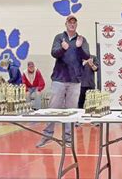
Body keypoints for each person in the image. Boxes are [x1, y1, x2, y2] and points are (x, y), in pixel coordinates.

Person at [36, 15, 90, 148]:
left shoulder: (81, 40)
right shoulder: (59, 38)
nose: (72, 24)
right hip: (59, 79)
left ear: (76, 25)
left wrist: (78, 47)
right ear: (66, 24)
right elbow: (54, 53)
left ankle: (68, 139)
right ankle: (47, 135)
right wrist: (62, 48)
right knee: (53, 108)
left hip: (75, 80)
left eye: (74, 22)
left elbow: (87, 56)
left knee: (71, 111)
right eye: (70, 22)